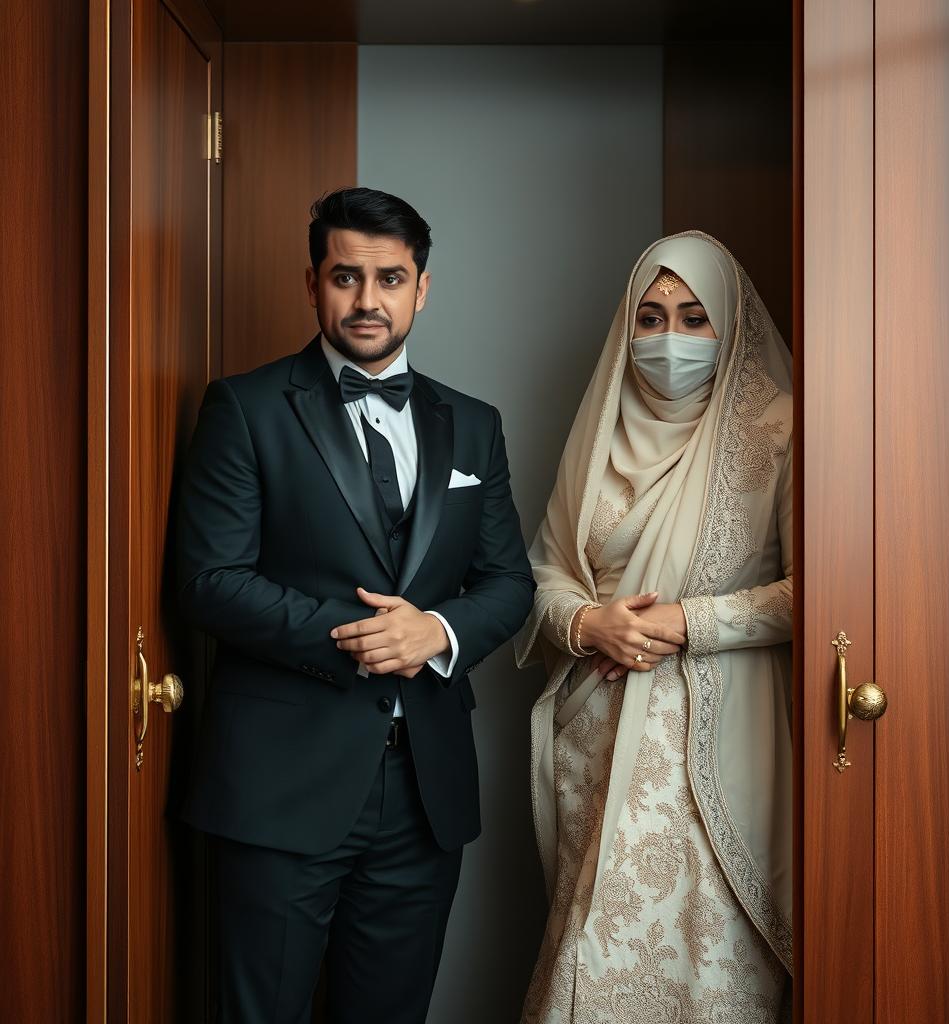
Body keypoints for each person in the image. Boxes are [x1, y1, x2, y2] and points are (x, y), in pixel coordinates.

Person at [178, 186, 535, 1023]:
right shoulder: (247, 407)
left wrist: (435, 632)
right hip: (281, 785)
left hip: (424, 795)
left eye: (389, 278)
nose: (368, 300)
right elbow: (209, 580)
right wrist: (363, 639)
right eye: (346, 277)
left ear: (422, 287)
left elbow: (509, 582)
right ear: (313, 286)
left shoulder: (473, 425)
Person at [516, 231, 793, 1022]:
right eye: (651, 316)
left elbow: (820, 595)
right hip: (600, 738)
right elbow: (541, 573)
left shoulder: (780, 432)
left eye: (694, 318)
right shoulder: (600, 429)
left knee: (707, 959)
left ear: (731, 327)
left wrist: (686, 621)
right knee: (594, 957)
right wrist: (587, 622)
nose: (668, 339)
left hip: (716, 744)